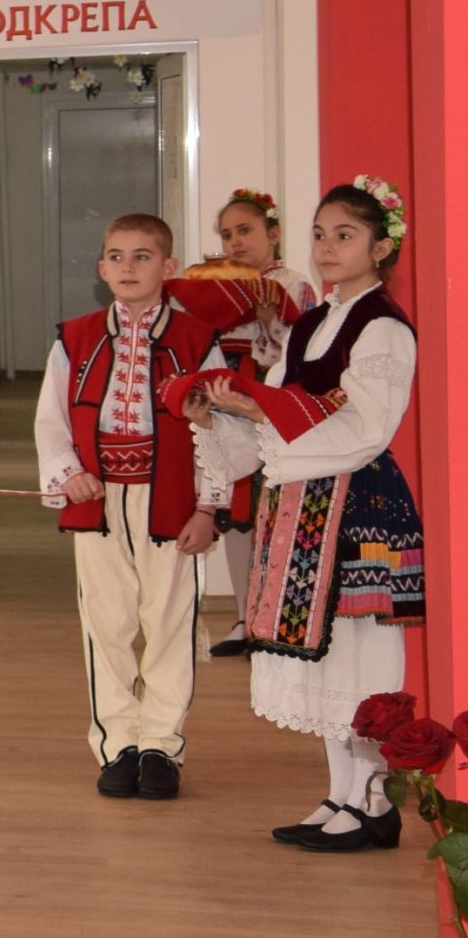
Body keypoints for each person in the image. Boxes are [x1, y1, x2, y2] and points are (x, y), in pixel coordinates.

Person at [190, 179, 425, 851]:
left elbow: (368, 427)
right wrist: (222, 417)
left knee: (361, 652)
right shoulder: (310, 325)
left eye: (344, 236)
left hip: (359, 507)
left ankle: (374, 801)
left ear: (380, 247)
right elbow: (275, 415)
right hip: (305, 506)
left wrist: (261, 410)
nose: (326, 247)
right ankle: (340, 792)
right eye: (320, 235)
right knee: (322, 655)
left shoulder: (383, 327)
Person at [32, 213, 229, 800]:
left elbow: (222, 430)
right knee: (106, 623)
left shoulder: (199, 341)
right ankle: (117, 743)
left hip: (171, 502)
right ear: (101, 268)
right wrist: (69, 474)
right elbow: (50, 419)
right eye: (116, 257)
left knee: (169, 622)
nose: (128, 267)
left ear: (169, 267)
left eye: (143, 256)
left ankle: (161, 745)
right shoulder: (74, 339)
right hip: (98, 499)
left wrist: (208, 507)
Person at [201, 189, 316, 659]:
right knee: (237, 512)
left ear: (273, 233)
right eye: (227, 234)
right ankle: (244, 618)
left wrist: (271, 319)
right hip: (229, 400)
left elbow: (305, 352)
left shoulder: (293, 283)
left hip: (272, 400)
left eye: (245, 231)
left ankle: (276, 620)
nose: (235, 242)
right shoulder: (221, 284)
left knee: (275, 509)